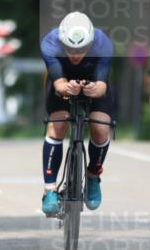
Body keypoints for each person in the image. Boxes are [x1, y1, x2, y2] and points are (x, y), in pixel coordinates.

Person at [40, 11, 114, 216]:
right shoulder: (50, 43)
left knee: (100, 128)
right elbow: (59, 84)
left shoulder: (103, 44)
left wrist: (94, 89)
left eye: (81, 49)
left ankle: (92, 176)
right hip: (63, 81)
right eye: (70, 48)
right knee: (59, 124)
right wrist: (66, 88)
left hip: (94, 81)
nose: (75, 54)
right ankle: (50, 190)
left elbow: (101, 86)